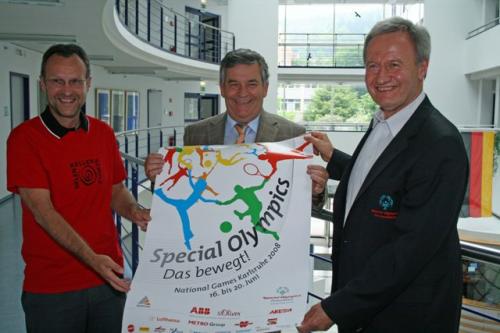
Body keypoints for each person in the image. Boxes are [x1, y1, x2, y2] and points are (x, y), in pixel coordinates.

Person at [299, 17, 468, 333]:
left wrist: (338, 306)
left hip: (405, 317)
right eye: (372, 65)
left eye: (394, 64)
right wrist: (334, 158)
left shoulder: (440, 143)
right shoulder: (385, 121)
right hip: (368, 309)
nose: (381, 76)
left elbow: (410, 248)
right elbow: (381, 177)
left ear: (422, 68)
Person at [6, 44, 151, 333]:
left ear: (88, 84)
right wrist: (93, 260)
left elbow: (115, 190)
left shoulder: (103, 133)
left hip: (108, 279)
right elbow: (42, 211)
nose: (66, 90)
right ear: (43, 84)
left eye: (75, 81)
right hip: (52, 288)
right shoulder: (24, 139)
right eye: (57, 81)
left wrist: (133, 210)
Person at [145, 48, 328, 199]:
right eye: (233, 84)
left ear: (265, 88)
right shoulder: (196, 133)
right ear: (222, 88)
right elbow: (184, 190)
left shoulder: (293, 134)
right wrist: (158, 177)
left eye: (252, 84)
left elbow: (305, 205)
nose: (242, 93)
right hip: (214, 238)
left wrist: (316, 190)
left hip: (268, 240)